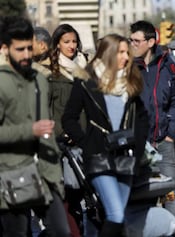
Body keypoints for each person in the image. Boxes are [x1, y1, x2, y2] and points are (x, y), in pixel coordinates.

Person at [62, 33, 149, 236]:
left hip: (126, 157)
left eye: (126, 53)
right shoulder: (86, 82)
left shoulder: (130, 82)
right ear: (108, 54)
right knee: (116, 214)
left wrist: (138, 144)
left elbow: (143, 117)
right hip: (99, 157)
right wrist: (87, 143)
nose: (126, 57)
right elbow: (69, 119)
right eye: (120, 53)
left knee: (118, 217)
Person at [0, 16, 70, 237]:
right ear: (4, 48)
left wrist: (56, 173)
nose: (27, 55)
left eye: (29, 48)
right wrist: (30, 130)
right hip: (10, 175)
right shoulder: (1, 82)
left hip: (45, 173)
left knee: (61, 231)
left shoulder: (39, 79)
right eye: (20, 49)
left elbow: (46, 126)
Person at [129, 20, 175, 237]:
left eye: (137, 40)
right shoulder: (128, 66)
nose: (132, 44)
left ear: (151, 41)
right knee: (141, 195)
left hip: (163, 141)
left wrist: (172, 133)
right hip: (138, 145)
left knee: (170, 192)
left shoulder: (168, 64)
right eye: (131, 40)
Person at [49, 23, 90, 236]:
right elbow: (47, 108)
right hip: (61, 143)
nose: (72, 46)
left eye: (74, 41)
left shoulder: (85, 67)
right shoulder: (50, 71)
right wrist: (60, 134)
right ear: (57, 44)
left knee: (84, 192)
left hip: (84, 140)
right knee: (66, 194)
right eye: (66, 42)